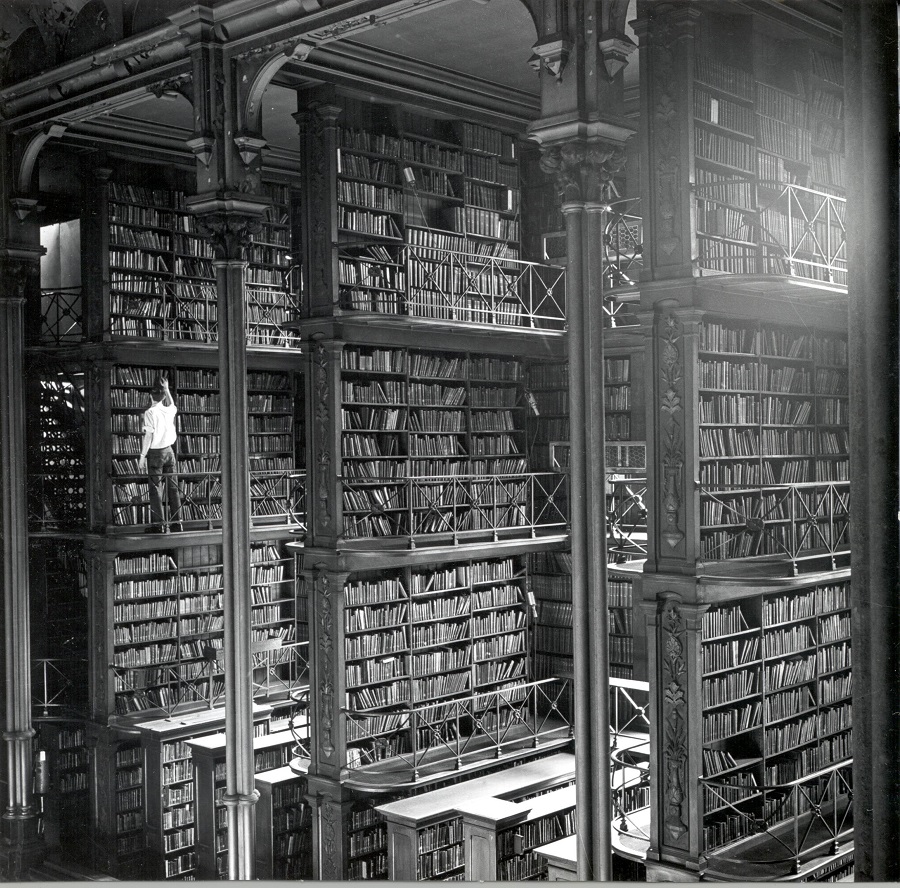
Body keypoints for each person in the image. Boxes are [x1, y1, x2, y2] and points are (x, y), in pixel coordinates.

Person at [137, 375, 182, 533]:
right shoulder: (169, 410)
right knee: (173, 488)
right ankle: (178, 523)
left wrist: (142, 457)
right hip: (170, 451)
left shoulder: (150, 412)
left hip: (156, 453)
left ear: (150, 396)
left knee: (156, 489)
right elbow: (172, 403)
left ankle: (159, 525)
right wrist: (167, 389)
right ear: (163, 396)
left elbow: (148, 436)